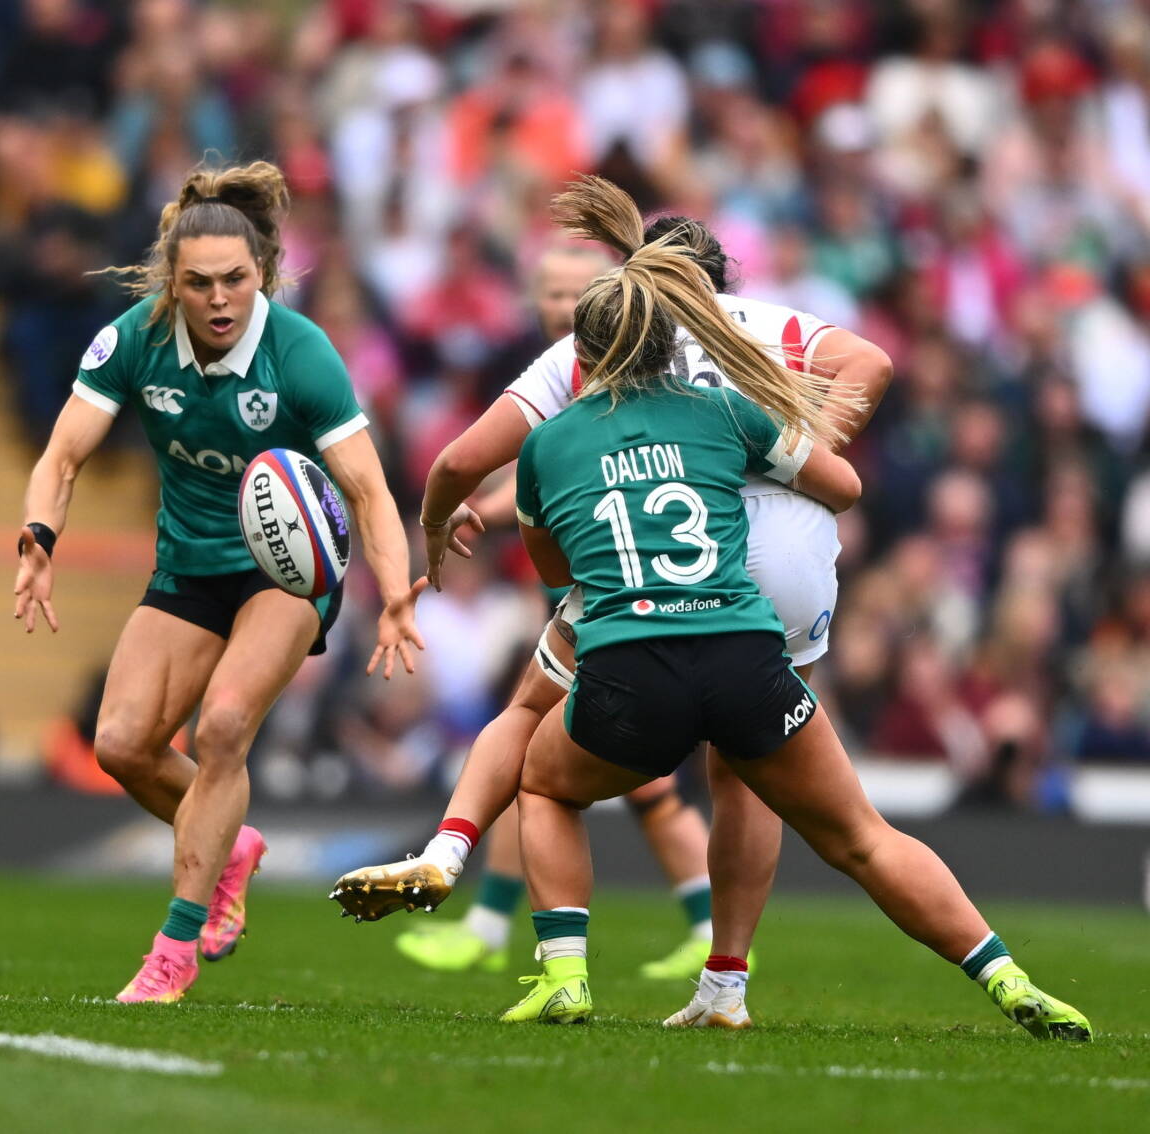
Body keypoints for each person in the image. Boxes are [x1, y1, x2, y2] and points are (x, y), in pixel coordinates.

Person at [498, 176, 1090, 1041]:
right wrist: (775, 454)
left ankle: (564, 976)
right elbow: (849, 469)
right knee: (858, 835)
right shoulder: (728, 401)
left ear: (586, 352)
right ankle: (1003, 976)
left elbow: (544, 561)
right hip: (752, 641)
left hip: (635, 663)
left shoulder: (551, 438)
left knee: (542, 782)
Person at [333, 182, 893, 1022]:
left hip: (664, 571)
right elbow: (873, 365)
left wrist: (443, 523)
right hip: (788, 566)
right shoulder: (771, 326)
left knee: (534, 725)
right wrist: (797, 450)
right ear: (720, 281)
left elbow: (466, 460)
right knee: (748, 777)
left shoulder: (604, 348)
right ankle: (727, 976)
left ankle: (462, 862)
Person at [14, 161, 425, 1005]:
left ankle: (172, 950)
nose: (217, 298)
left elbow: (369, 489)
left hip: (285, 571)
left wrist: (393, 592)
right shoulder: (134, 338)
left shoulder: (301, 353)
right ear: (173, 282)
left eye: (235, 279)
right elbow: (62, 453)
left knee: (225, 726)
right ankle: (231, 845)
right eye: (197, 282)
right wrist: (38, 538)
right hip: (189, 567)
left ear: (263, 275)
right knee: (121, 745)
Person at [394, 241, 725, 980]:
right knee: (546, 759)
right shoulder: (558, 379)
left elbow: (555, 472)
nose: (561, 304)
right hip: (590, 594)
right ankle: (495, 920)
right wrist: (493, 509)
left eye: (577, 290)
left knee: (619, 776)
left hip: (625, 599)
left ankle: (707, 932)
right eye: (551, 291)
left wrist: (465, 513)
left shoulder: (600, 374)